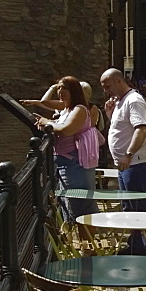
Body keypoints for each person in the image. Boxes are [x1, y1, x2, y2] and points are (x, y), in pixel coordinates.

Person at [100, 68, 146, 256]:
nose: (106, 90)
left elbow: (141, 129)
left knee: (141, 207)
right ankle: (136, 246)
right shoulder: (121, 101)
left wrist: (128, 154)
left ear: (119, 81)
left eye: (107, 86)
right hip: (127, 164)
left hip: (136, 162)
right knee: (129, 206)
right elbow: (123, 128)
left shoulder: (134, 100)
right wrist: (109, 114)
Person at [33, 76, 96, 222]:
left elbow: (66, 130)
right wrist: (49, 122)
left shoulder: (79, 109)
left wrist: (47, 122)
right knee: (68, 204)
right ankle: (79, 242)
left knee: (79, 207)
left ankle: (85, 243)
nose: (60, 91)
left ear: (74, 91)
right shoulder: (68, 109)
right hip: (64, 162)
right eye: (59, 88)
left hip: (74, 164)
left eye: (65, 88)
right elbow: (58, 122)